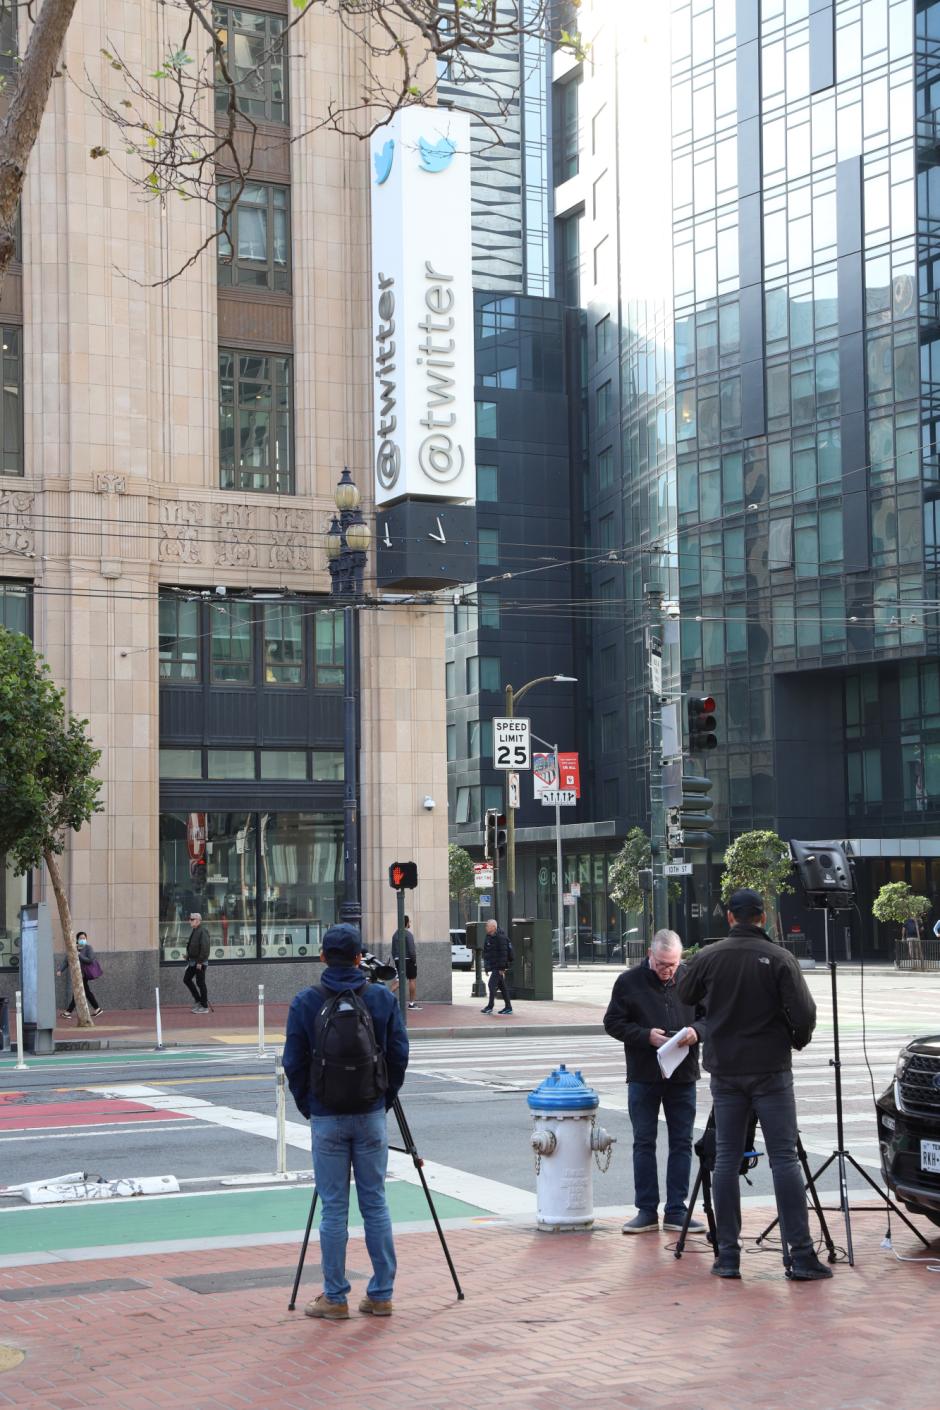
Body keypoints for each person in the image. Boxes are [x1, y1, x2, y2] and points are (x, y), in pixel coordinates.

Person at [677, 888, 832, 1282]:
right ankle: (799, 1255)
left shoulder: (708, 957)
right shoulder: (780, 958)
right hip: (770, 1069)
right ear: (763, 917)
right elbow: (805, 1014)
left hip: (726, 1070)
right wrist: (795, 1039)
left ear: (730, 917)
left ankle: (727, 1256)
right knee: (784, 1158)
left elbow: (685, 993)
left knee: (726, 1159)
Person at [282, 923, 409, 1321]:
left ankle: (335, 1297)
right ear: (359, 958)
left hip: (326, 1115)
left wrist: (310, 1106)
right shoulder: (381, 1000)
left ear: (322, 956)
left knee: (333, 1207)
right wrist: (383, 1098)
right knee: (375, 1203)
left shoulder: (305, 1002)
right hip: (371, 1114)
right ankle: (381, 1293)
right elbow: (399, 1056)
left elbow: (293, 1064)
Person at [603, 929, 706, 1235]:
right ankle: (646, 1210)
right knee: (644, 1142)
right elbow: (613, 1022)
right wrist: (645, 1035)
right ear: (650, 955)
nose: (667, 971)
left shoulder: (691, 978)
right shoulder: (628, 982)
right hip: (644, 1074)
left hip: (682, 1073)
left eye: (672, 964)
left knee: (682, 1142)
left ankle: (676, 1209)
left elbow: (710, 1016)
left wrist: (696, 1032)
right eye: (661, 964)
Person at [58, 933, 104, 1018]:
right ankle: (97, 1009)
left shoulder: (88, 948)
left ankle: (68, 1012)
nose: (82, 939)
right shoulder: (73, 948)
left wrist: (79, 954)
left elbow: (89, 960)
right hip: (77, 974)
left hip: (84, 974)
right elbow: (67, 960)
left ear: (86, 939)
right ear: (77, 939)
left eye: (84, 938)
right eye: (80, 938)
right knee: (84, 992)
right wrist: (60, 970)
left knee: (78, 992)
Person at [480, 918, 513, 1015]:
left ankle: (490, 1007)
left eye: (487, 925)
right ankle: (508, 1007)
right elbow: (487, 953)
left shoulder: (501, 937)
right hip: (494, 966)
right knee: (502, 987)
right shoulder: (488, 937)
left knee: (491, 985)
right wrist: (487, 967)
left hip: (499, 967)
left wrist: (502, 968)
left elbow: (504, 954)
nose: (486, 927)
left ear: (493, 927)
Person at [390, 914, 420, 1009]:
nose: (410, 923)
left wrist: (396, 959)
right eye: (409, 921)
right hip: (408, 960)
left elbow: (393, 951)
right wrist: (414, 960)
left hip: (398, 960)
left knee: (399, 980)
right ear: (406, 923)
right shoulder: (408, 934)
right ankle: (411, 1003)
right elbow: (412, 950)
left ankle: (385, 996)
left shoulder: (395, 934)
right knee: (412, 979)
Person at [183, 912, 211, 1013]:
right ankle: (198, 1000)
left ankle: (204, 1006)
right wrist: (188, 956)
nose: (189, 921)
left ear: (198, 921)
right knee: (186, 979)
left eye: (192, 919)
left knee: (200, 983)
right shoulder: (195, 930)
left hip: (199, 962)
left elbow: (205, 948)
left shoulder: (202, 931)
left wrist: (200, 961)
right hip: (193, 961)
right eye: (190, 919)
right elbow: (195, 946)